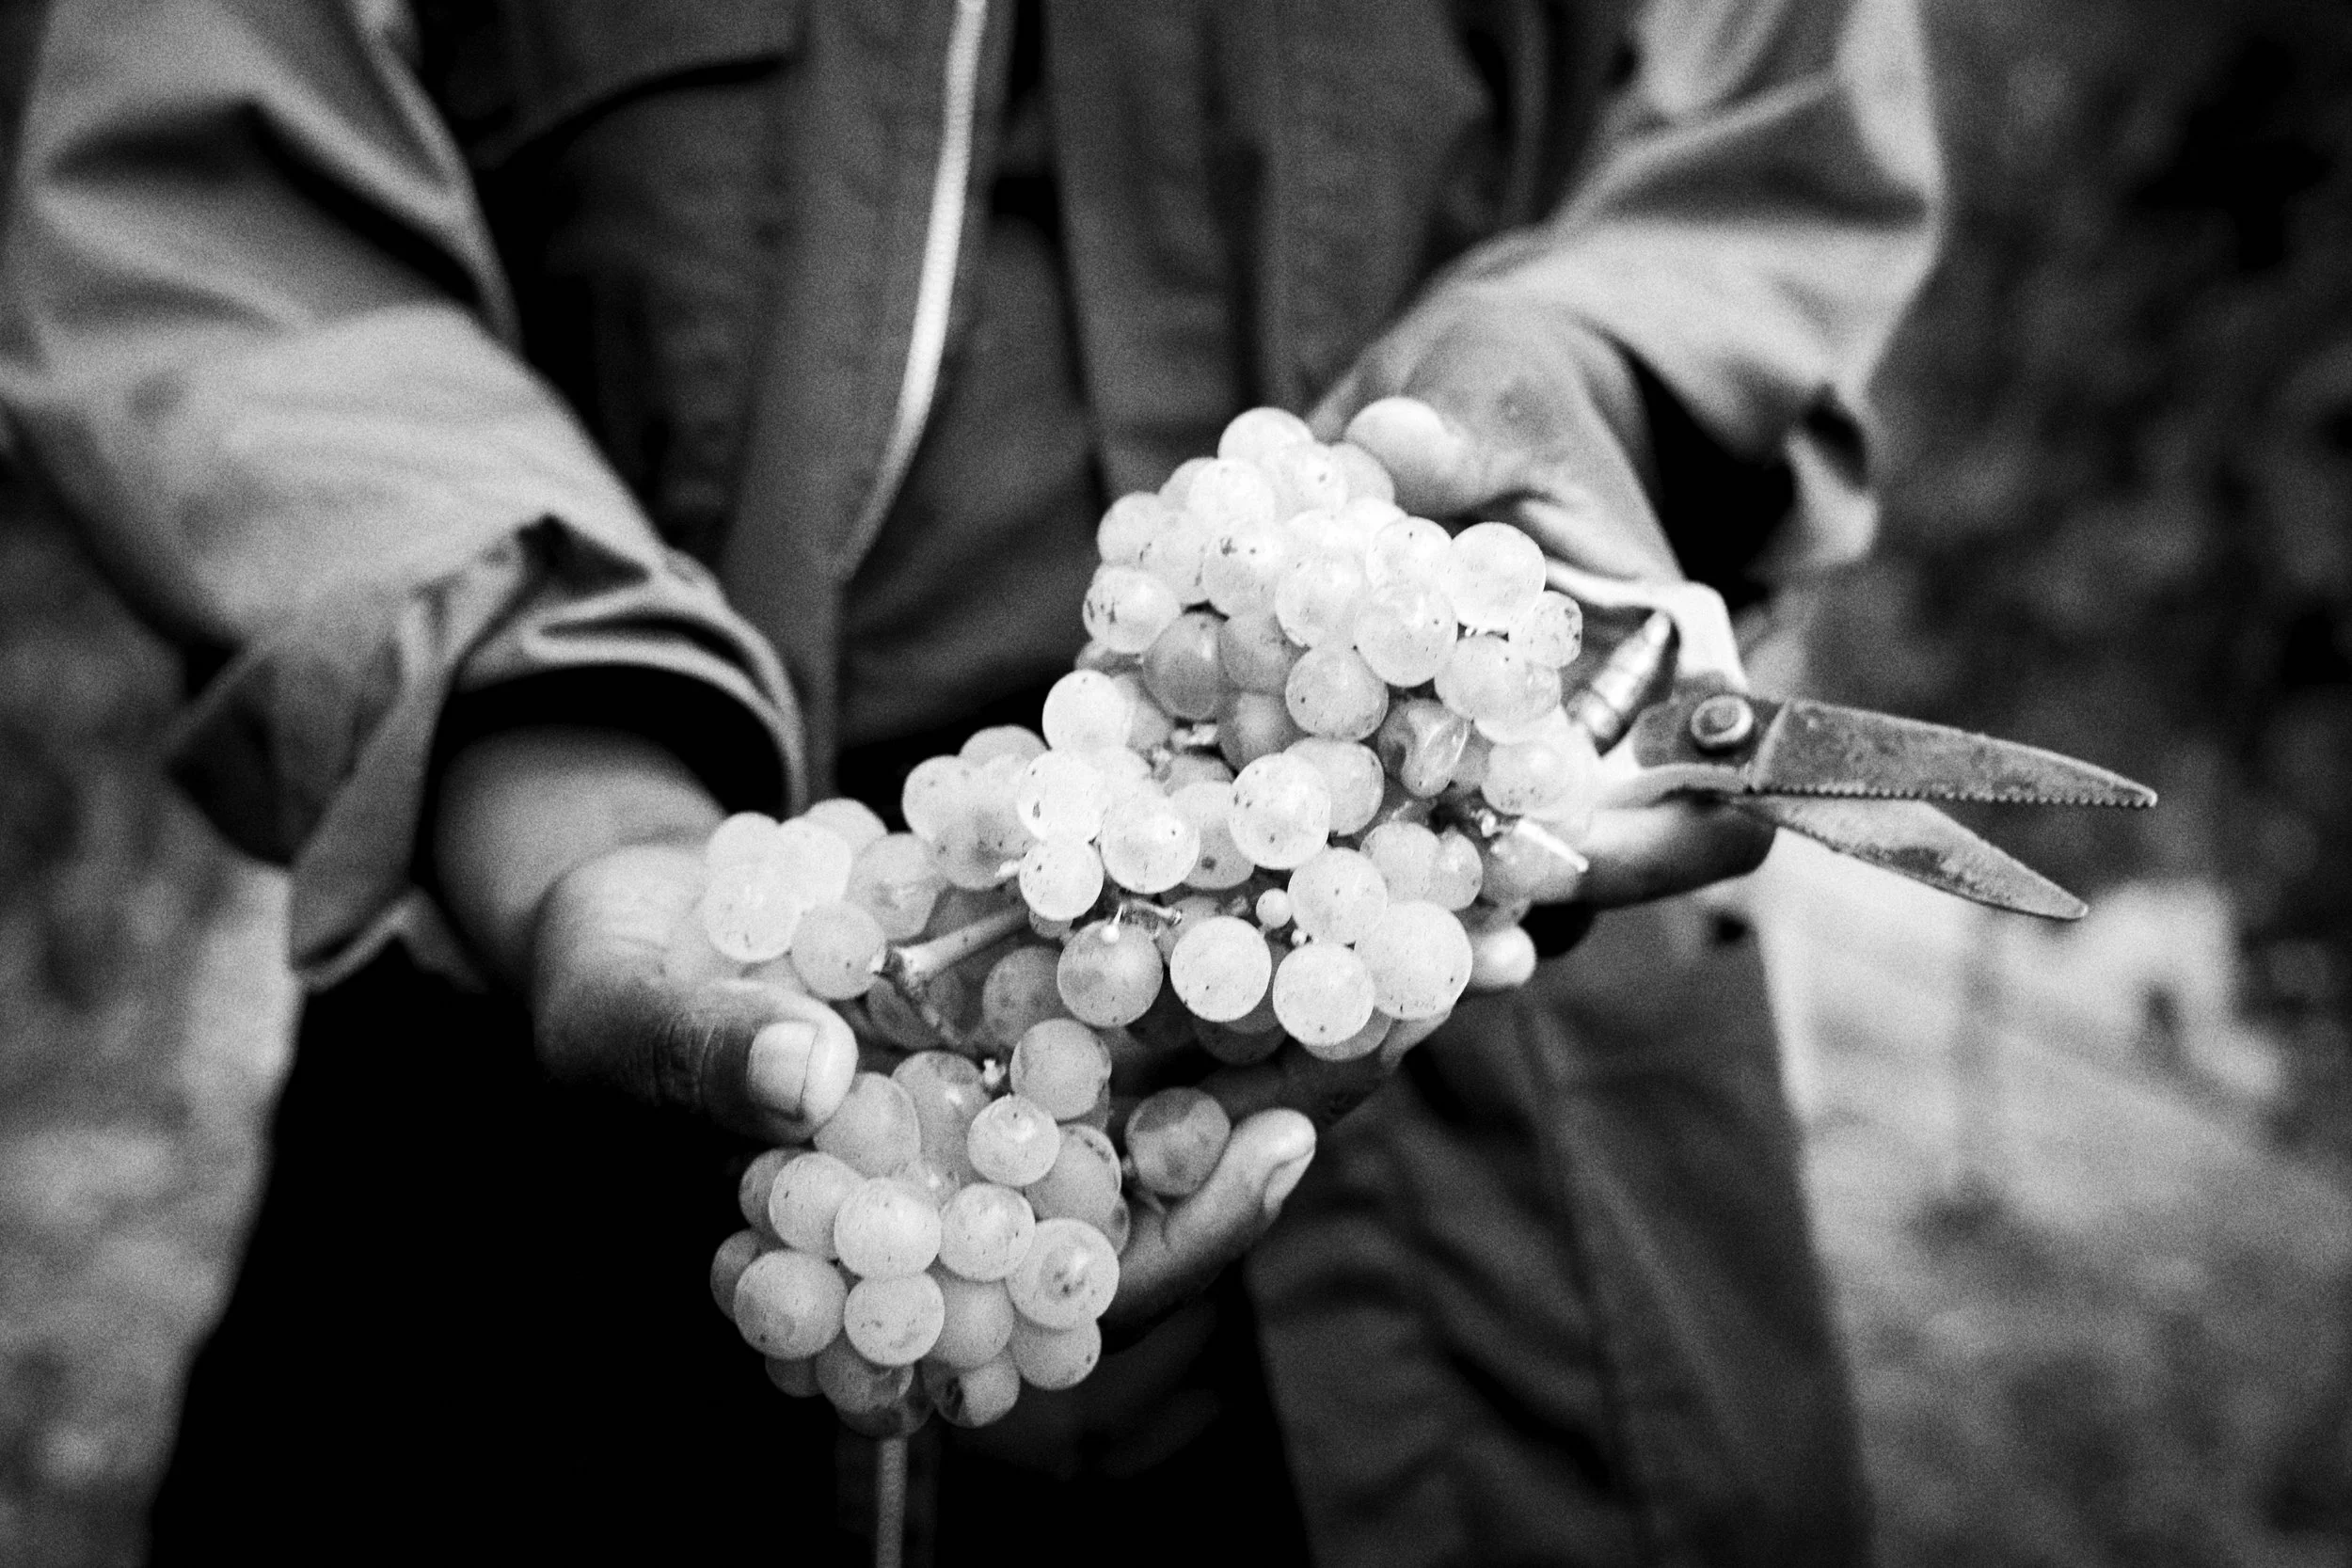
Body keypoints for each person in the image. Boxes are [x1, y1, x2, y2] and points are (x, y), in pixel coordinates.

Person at [0, 0, 1939, 1561]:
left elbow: (1762, 147)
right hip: (526, 1233)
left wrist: (1575, 359)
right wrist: (551, 763)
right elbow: (217, 247)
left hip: (1503, 1279)